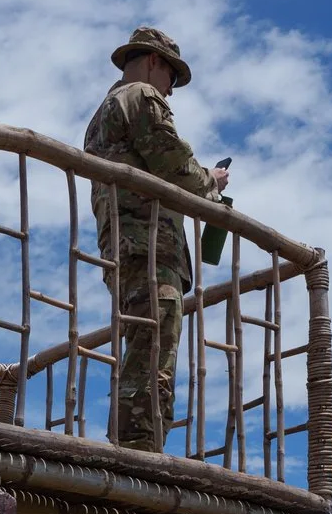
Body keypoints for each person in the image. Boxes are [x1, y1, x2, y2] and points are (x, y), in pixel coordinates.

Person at [83, 26, 230, 452]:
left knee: (144, 345)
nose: (171, 91)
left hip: (124, 247)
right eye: (172, 78)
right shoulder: (142, 97)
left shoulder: (103, 113)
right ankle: (140, 451)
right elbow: (174, 163)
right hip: (148, 247)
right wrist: (211, 182)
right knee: (154, 353)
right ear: (153, 62)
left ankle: (137, 444)